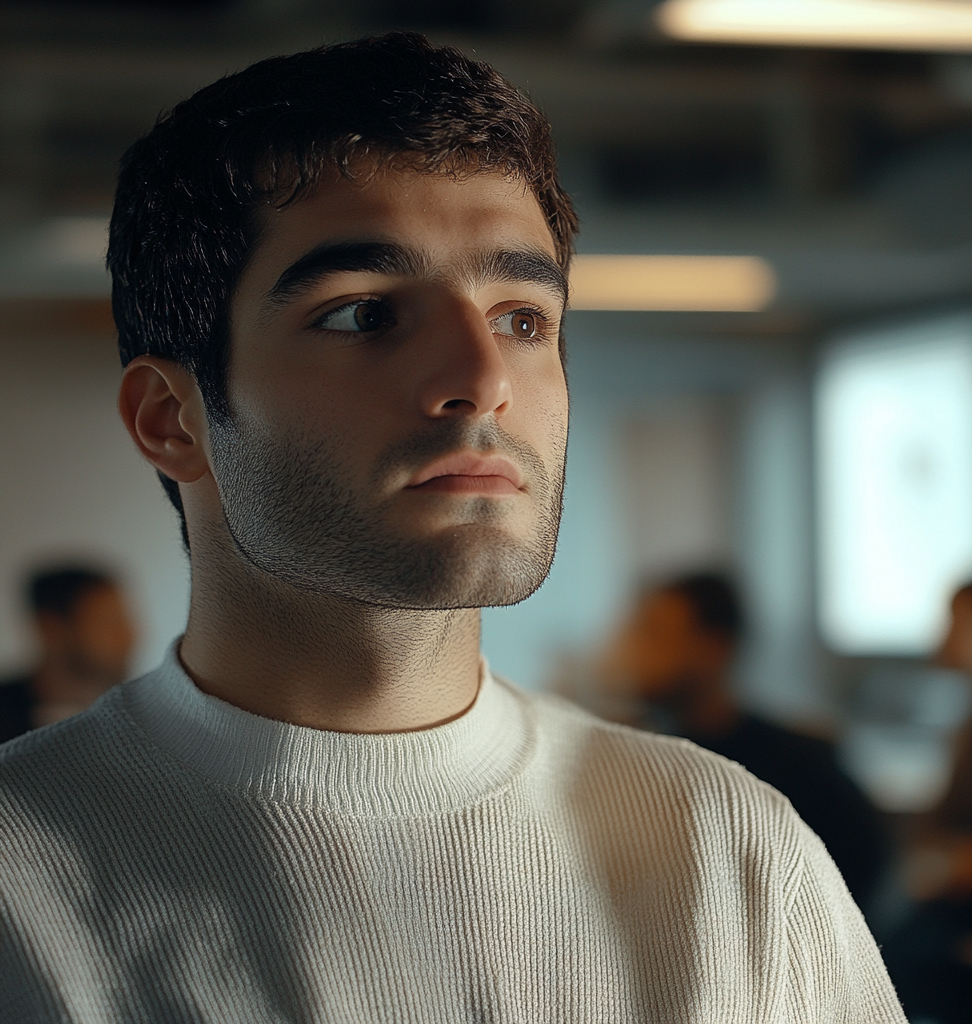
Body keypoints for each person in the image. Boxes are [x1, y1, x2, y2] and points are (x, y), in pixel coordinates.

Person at [0, 34, 904, 1022]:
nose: (481, 382)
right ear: (172, 420)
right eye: (363, 315)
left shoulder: (729, 848)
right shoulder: (23, 880)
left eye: (522, 318)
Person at [602, 572, 889, 911]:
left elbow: (862, 875)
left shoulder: (799, 765)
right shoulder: (636, 758)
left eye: (655, 634)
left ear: (715, 647)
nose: (635, 651)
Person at [887, 572, 972, 1023]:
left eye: (958, 622)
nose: (942, 637)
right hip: (968, 901)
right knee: (883, 947)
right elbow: (937, 826)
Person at [0, 565, 136, 743]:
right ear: (50, 627)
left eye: (126, 621)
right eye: (108, 624)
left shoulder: (144, 713)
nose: (128, 637)